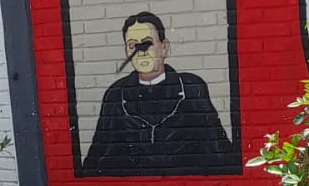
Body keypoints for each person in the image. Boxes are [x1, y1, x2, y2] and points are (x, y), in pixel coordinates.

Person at [81, 10, 237, 176]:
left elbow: (218, 149)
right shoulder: (116, 95)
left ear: (164, 47)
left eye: (147, 43)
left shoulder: (191, 88)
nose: (140, 52)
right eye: (133, 45)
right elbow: (98, 156)